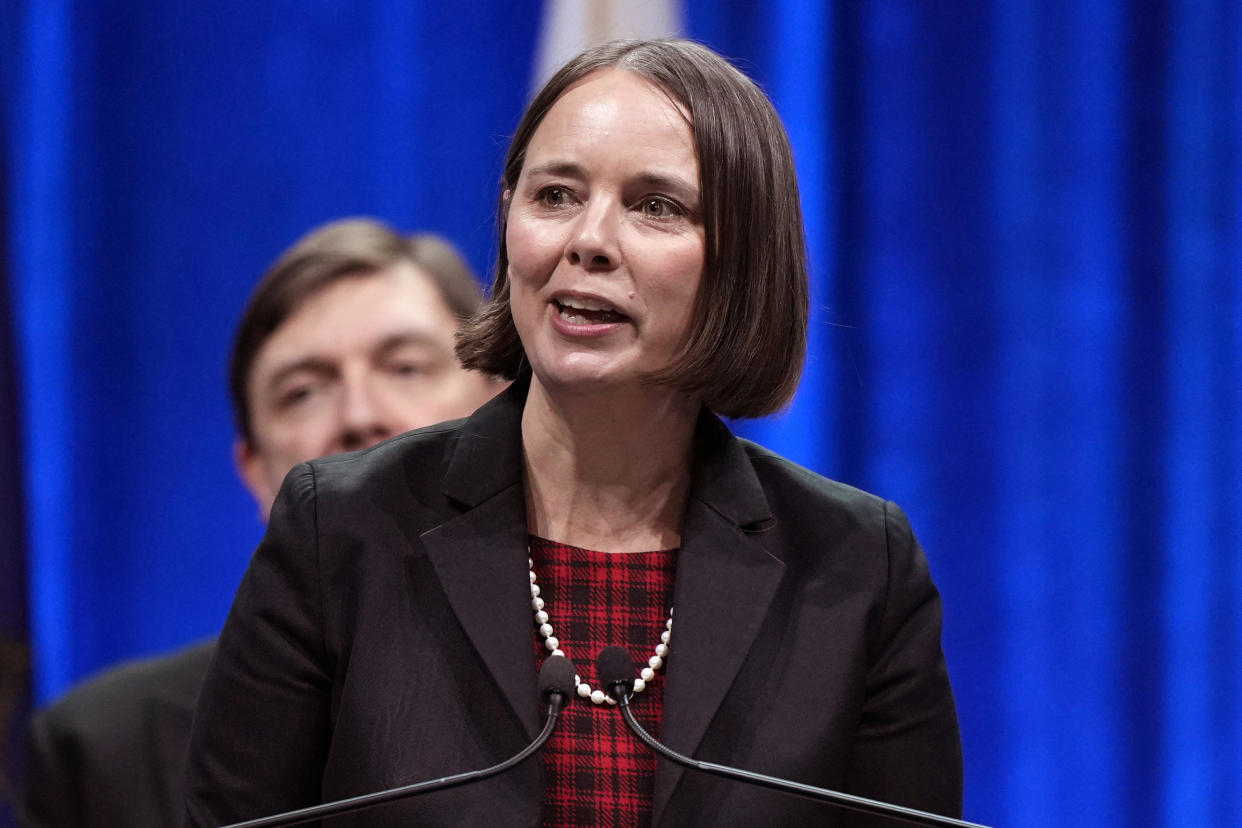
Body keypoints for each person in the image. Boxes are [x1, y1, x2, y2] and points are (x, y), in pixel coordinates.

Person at [185, 39, 963, 827]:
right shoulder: (340, 532)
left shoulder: (858, 568)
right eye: (555, 194)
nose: (587, 241)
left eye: (656, 206)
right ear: (508, 220)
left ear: (743, 263)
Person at [19, 218, 501, 828]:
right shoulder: (104, 749)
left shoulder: (594, 694)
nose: (359, 415)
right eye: (303, 392)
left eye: (405, 367)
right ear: (253, 470)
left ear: (501, 411)